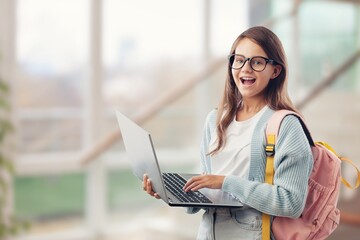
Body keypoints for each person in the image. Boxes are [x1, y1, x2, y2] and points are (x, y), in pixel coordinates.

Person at [143, 26, 313, 240]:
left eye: (257, 62)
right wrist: (170, 192)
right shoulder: (214, 121)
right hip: (208, 233)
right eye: (239, 59)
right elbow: (209, 189)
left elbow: (291, 203)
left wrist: (226, 182)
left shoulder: (286, 126)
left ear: (275, 71)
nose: (246, 69)